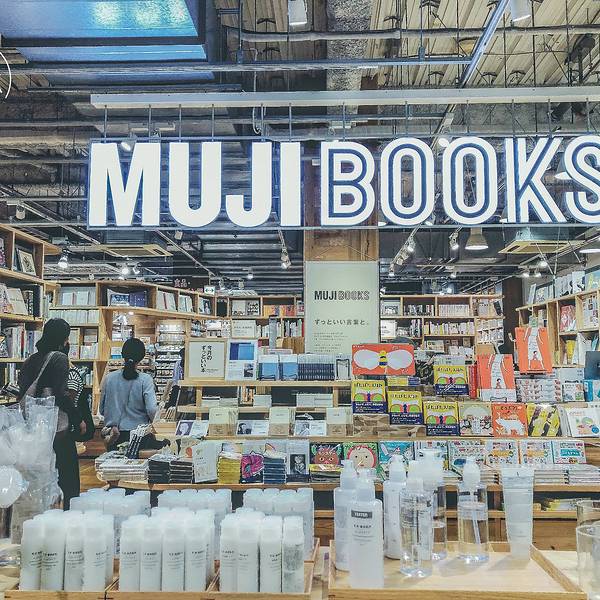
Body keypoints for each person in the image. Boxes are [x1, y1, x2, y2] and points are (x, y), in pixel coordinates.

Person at [18, 318, 86, 509]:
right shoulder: (59, 358)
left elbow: (22, 392)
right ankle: (68, 514)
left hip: (34, 430)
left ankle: (44, 513)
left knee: (42, 478)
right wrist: (78, 419)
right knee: (68, 478)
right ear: (64, 339)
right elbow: (61, 394)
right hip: (57, 429)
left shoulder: (31, 360)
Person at [100, 337, 157, 450]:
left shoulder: (109, 378)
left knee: (113, 460)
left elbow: (102, 409)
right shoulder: (145, 379)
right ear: (142, 357)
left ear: (122, 354)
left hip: (113, 435)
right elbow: (151, 409)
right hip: (139, 435)